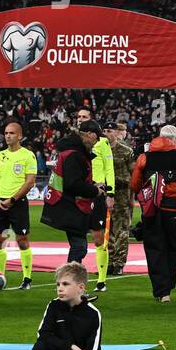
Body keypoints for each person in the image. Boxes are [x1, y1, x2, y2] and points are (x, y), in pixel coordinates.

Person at [129, 124, 176, 303]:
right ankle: (167, 284)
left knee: (155, 250)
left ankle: (162, 290)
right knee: (175, 249)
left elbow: (134, 185)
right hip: (175, 209)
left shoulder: (144, 158)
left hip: (151, 211)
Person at [32, 262, 105, 350]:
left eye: (65, 284)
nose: (60, 288)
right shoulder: (54, 306)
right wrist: (71, 347)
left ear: (80, 288)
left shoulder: (93, 314)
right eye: (58, 284)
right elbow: (44, 335)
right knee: (40, 348)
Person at [40, 120, 105, 270]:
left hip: (65, 205)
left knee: (79, 247)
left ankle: (71, 286)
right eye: (96, 138)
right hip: (70, 207)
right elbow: (73, 184)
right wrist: (95, 190)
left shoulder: (71, 152)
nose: (96, 143)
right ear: (89, 134)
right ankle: (70, 285)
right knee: (79, 248)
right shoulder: (75, 155)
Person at [0, 120, 35, 290]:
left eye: (11, 133)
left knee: (22, 240)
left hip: (18, 203)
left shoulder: (28, 155)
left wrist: (12, 200)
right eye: (6, 133)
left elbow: (29, 182)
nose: (8, 136)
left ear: (20, 136)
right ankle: (0, 276)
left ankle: (27, 278)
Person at [76, 108, 115, 291]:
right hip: (79, 193)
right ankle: (76, 277)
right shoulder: (74, 143)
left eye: (83, 117)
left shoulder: (103, 143)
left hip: (98, 193)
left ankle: (101, 280)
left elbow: (109, 168)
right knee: (77, 237)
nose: (79, 120)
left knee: (99, 237)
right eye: (78, 117)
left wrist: (111, 193)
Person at [105, 121, 136, 276]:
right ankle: (109, 261)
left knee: (121, 230)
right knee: (106, 230)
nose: (106, 133)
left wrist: (132, 197)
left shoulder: (126, 151)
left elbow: (134, 175)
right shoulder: (98, 150)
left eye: (109, 130)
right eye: (104, 130)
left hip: (122, 193)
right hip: (104, 194)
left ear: (117, 132)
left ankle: (119, 263)